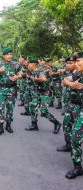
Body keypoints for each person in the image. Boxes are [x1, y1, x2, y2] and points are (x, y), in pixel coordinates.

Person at [24, 58, 61, 133]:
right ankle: (34, 125)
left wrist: (35, 79)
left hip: (45, 93)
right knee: (33, 107)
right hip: (38, 92)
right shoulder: (33, 71)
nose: (28, 66)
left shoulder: (39, 71)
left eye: (29, 64)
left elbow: (43, 79)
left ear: (32, 65)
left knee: (44, 111)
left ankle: (57, 123)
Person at [64, 51, 83, 179]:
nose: (75, 64)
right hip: (79, 108)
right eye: (75, 62)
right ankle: (78, 167)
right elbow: (64, 80)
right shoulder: (77, 74)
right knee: (75, 138)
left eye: (78, 61)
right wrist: (72, 84)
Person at [0, 48, 19, 135]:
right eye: (7, 54)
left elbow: (21, 73)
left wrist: (17, 77)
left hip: (12, 89)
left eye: (11, 54)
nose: (9, 56)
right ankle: (0, 127)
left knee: (10, 108)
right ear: (4, 56)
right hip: (1, 90)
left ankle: (8, 125)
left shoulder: (15, 64)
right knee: (0, 108)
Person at [57, 55, 77, 152]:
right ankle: (68, 144)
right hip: (71, 102)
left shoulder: (79, 73)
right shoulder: (71, 72)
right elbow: (64, 81)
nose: (68, 65)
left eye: (71, 63)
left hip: (79, 105)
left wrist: (68, 83)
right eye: (67, 63)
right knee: (66, 124)